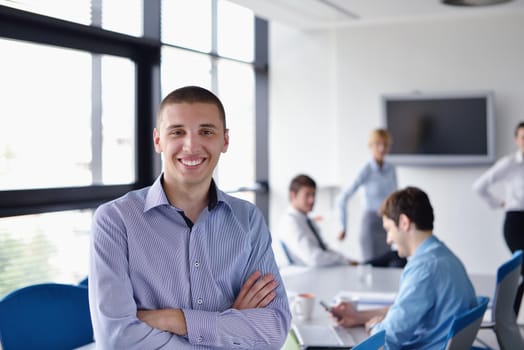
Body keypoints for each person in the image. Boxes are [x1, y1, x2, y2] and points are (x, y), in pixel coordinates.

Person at [89, 86, 291, 349]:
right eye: (177, 132)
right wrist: (230, 324)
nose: (192, 145)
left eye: (206, 132)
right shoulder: (115, 220)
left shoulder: (248, 219)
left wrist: (176, 320)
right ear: (158, 140)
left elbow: (274, 328)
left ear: (225, 140)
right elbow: (116, 339)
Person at [329, 186, 477, 349]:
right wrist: (358, 317)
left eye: (389, 230)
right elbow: (404, 309)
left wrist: (372, 328)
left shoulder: (423, 268)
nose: (388, 240)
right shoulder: (444, 257)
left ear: (404, 223)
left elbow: (387, 339)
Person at [473, 121, 524, 315]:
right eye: (523, 137)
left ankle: (507, 317)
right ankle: (506, 316)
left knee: (520, 272)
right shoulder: (509, 163)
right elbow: (479, 186)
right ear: (516, 140)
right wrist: (497, 203)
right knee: (521, 268)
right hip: (516, 222)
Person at [337, 128, 405, 267]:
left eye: (385, 144)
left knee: (390, 266)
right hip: (371, 226)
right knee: (373, 269)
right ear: (371, 146)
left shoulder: (391, 169)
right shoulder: (365, 170)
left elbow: (395, 199)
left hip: (388, 226)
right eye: (378, 144)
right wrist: (342, 226)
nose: (381, 148)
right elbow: (342, 197)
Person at [277, 174, 355, 267]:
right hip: (306, 275)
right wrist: (344, 261)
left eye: (313, 194)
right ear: (293, 195)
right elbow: (314, 259)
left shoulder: (306, 220)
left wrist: (346, 260)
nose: (312, 200)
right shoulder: (290, 222)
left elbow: (324, 249)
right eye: (307, 195)